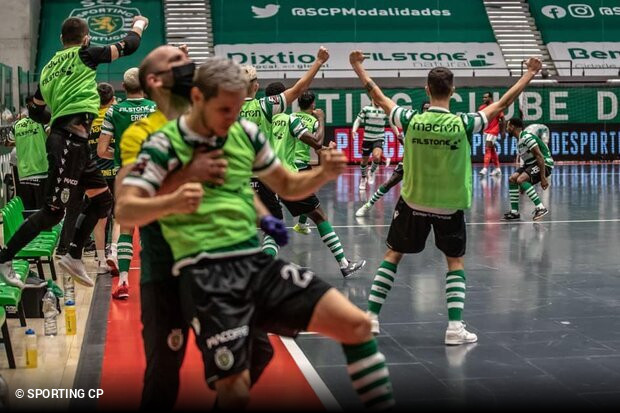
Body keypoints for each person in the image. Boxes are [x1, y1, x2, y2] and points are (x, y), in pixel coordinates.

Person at [117, 57, 395, 411]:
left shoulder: (244, 132)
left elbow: (286, 184)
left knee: (356, 324)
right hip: (206, 273)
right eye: (225, 110)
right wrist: (175, 195)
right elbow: (125, 209)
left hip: (253, 263)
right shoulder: (161, 143)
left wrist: (323, 173)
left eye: (237, 109)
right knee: (228, 387)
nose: (233, 118)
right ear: (199, 98)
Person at [349, 50, 541, 343]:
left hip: (413, 201)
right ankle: (453, 328)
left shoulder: (410, 118)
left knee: (392, 255)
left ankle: (371, 319)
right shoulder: (464, 123)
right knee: (454, 262)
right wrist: (528, 73)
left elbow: (377, 95)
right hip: (449, 206)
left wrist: (358, 67)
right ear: (453, 90)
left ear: (426, 89)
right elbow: (504, 103)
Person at [0, 15, 149, 288]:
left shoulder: (46, 69)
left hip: (73, 140)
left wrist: (55, 119)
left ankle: (74, 254)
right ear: (85, 38)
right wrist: (139, 23)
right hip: (69, 139)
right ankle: (4, 257)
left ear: (60, 40)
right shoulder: (85, 54)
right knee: (53, 211)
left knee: (104, 202)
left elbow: (34, 110)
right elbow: (130, 44)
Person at [267, 84, 366, 278]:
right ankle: (344, 264)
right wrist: (321, 118)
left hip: (263, 180)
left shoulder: (258, 121)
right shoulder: (290, 120)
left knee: (272, 228)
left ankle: (260, 272)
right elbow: (317, 142)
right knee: (320, 216)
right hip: (289, 177)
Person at [242, 47, 329, 256]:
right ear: (255, 86)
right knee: (273, 228)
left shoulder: (223, 106)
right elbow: (299, 88)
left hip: (233, 177)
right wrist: (318, 61)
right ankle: (265, 271)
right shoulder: (265, 106)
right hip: (262, 177)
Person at [98, 67, 157, 299]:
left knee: (126, 229)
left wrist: (120, 154)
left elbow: (102, 150)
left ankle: (123, 282)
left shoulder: (114, 111)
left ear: (123, 87)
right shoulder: (156, 109)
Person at [355, 101, 430, 217]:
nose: (427, 110)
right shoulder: (415, 123)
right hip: (408, 161)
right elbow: (407, 142)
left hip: (425, 164)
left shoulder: (436, 127)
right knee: (388, 184)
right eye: (425, 108)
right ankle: (368, 205)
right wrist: (402, 140)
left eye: (429, 108)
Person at [86, 82, 116, 276]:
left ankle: (100, 261)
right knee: (119, 216)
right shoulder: (114, 114)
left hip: (93, 175)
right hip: (114, 172)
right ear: (112, 99)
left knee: (99, 219)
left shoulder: (87, 117)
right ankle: (114, 251)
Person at [503, 118, 553, 221]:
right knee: (513, 179)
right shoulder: (519, 141)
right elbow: (527, 163)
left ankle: (541, 207)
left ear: (512, 127)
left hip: (545, 163)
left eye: (508, 126)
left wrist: (543, 178)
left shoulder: (526, 137)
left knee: (521, 179)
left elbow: (539, 156)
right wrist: (523, 184)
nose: (507, 129)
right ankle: (514, 212)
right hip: (531, 164)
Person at [9, 95, 49, 210]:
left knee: (27, 210)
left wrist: (22, 139)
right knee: (42, 210)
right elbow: (51, 132)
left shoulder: (17, 125)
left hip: (23, 173)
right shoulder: (43, 122)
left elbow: (8, 141)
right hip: (41, 171)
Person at [353, 99, 400, 190]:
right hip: (367, 139)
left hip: (379, 138)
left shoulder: (385, 111)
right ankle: (363, 178)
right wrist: (354, 130)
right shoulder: (366, 109)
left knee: (377, 157)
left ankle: (371, 171)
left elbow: (392, 123)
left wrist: (397, 134)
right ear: (372, 99)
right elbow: (358, 120)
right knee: (364, 162)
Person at [478, 91, 505, 176]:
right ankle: (497, 169)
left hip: (494, 131)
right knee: (492, 150)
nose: (484, 99)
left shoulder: (496, 107)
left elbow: (503, 119)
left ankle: (485, 169)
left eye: (486, 97)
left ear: (490, 98)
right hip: (486, 131)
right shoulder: (481, 108)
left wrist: (503, 131)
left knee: (487, 148)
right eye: (483, 97)